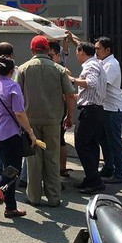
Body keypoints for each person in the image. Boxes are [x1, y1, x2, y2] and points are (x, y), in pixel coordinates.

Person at [18, 36, 75, 206]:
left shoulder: (23, 69)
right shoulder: (59, 69)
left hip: (30, 122)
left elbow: (16, 96)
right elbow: (70, 95)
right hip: (52, 120)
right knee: (52, 158)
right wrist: (69, 116)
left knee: (34, 159)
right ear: (47, 50)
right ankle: (54, 198)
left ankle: (34, 197)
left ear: (32, 50)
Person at [0, 55, 37, 218]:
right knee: (12, 172)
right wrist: (30, 132)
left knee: (7, 170)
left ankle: (10, 207)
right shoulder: (13, 87)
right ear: (12, 71)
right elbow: (19, 113)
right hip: (10, 134)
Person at [70, 42, 107, 194]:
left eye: (77, 51)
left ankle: (95, 181)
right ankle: (92, 178)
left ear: (82, 52)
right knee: (91, 145)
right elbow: (91, 90)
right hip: (95, 109)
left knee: (81, 144)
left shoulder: (90, 65)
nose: (76, 55)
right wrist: (76, 96)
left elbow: (91, 84)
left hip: (90, 111)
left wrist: (71, 79)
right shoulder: (97, 64)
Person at [95, 36, 122, 184]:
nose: (96, 52)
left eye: (98, 49)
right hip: (105, 107)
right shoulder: (102, 62)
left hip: (114, 109)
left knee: (114, 141)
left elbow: (102, 84)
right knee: (104, 140)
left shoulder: (111, 65)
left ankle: (120, 173)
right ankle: (108, 167)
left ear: (108, 50)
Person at [48, 41, 73, 177]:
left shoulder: (63, 71)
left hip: (58, 109)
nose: (49, 58)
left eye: (51, 56)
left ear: (58, 56)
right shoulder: (43, 68)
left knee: (60, 139)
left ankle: (61, 169)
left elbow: (69, 95)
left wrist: (69, 115)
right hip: (48, 110)